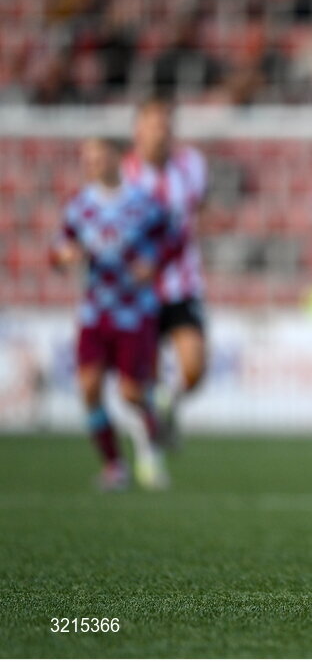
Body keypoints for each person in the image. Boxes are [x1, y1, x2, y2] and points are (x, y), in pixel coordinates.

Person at [51, 137, 180, 490]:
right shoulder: (79, 206)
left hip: (134, 313)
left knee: (130, 393)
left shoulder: (142, 203)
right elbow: (58, 249)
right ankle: (114, 466)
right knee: (89, 387)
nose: (92, 162)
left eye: (98, 156)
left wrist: (153, 263)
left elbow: (174, 239)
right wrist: (64, 257)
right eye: (87, 157)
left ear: (117, 158)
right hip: (95, 312)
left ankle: (154, 432)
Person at [122, 97, 208, 446]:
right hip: (138, 292)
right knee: (139, 382)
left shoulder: (191, 165)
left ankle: (164, 406)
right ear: (138, 130)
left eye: (166, 124)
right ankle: (150, 439)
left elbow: (191, 216)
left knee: (193, 369)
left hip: (182, 286)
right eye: (155, 124)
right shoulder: (125, 173)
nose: (162, 132)